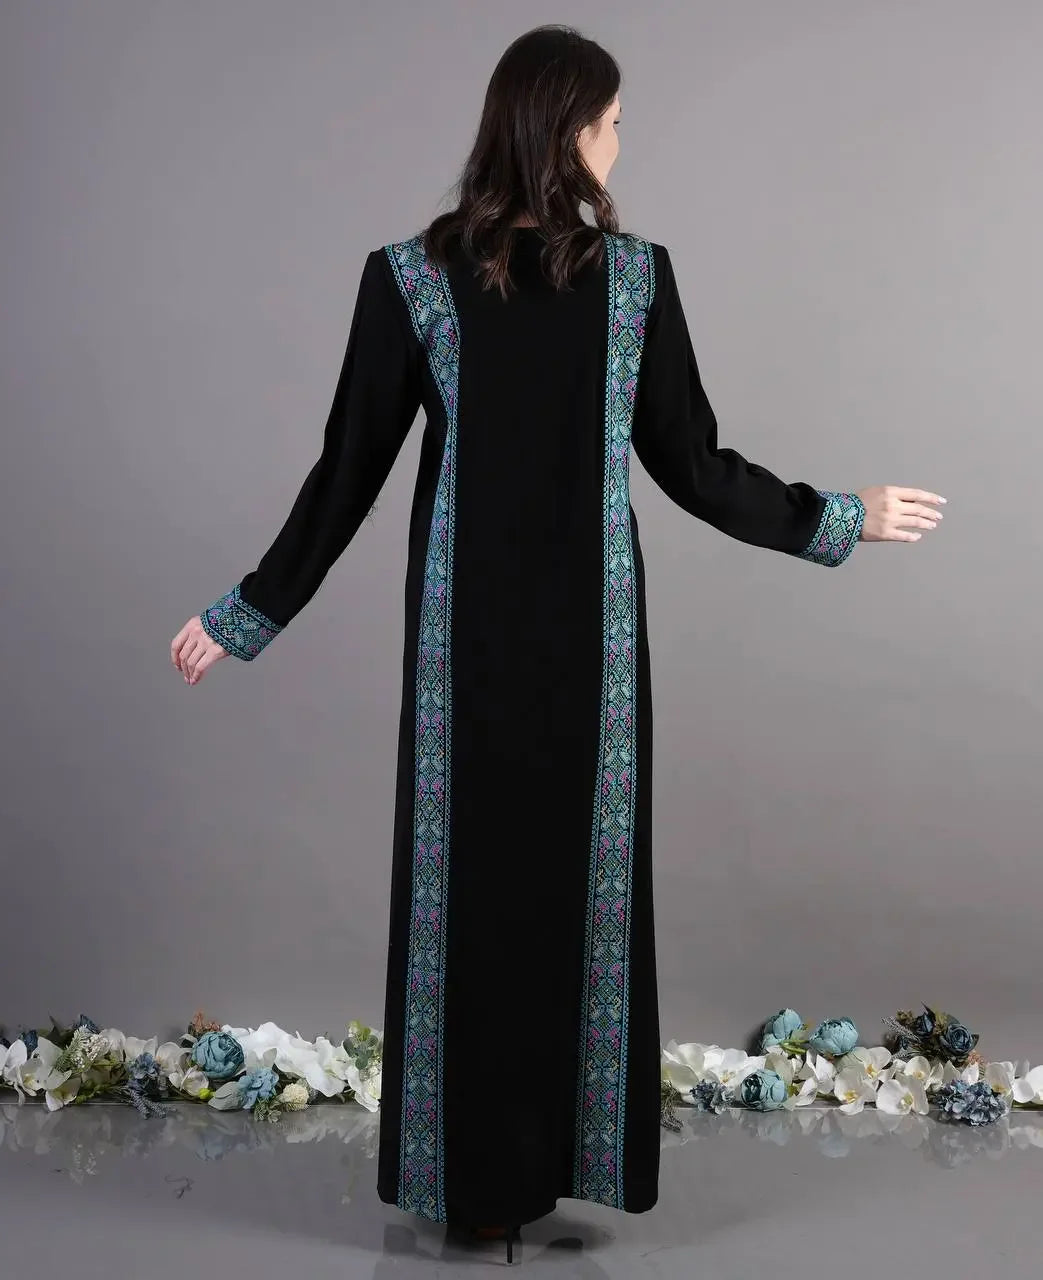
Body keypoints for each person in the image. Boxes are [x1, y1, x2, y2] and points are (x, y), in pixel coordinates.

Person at [170, 23, 945, 1263]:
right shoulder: (421, 282)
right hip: (504, 657)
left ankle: (505, 1180)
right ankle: (495, 1178)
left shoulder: (622, 280)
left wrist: (832, 519)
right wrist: (245, 612)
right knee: (503, 900)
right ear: (571, 128)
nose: (621, 142)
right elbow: (368, 467)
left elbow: (674, 462)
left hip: (551, 655)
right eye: (615, 120)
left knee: (528, 902)